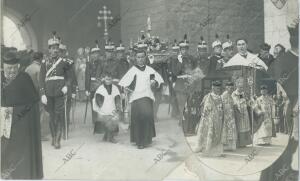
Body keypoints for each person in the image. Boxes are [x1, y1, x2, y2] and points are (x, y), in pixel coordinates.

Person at [1, 51, 43, 179]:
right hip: (4, 124)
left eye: (14, 68)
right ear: (3, 68)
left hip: (22, 125)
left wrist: (15, 113)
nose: (11, 71)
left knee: (19, 153)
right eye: (8, 68)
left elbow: (33, 103)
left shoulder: (24, 78)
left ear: (18, 67)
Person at [119, 49, 164, 149]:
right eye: (138, 57)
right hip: (136, 97)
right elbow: (124, 83)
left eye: (142, 57)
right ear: (135, 58)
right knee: (138, 119)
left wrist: (154, 83)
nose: (140, 59)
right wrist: (126, 88)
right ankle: (139, 141)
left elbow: (158, 80)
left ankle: (147, 139)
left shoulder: (150, 70)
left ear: (145, 57)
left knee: (147, 117)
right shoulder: (133, 70)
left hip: (147, 96)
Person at [39, 31, 74, 149]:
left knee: (58, 116)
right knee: (51, 117)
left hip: (60, 92)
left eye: (56, 48)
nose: (55, 50)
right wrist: (42, 93)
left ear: (59, 49)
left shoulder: (64, 62)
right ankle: (53, 136)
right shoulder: (44, 62)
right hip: (48, 94)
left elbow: (70, 77)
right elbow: (41, 78)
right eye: (52, 48)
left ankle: (58, 139)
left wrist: (66, 87)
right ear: (49, 50)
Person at [194, 80, 224, 157]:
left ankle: (214, 149)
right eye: (217, 89)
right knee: (207, 134)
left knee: (216, 135)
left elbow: (221, 108)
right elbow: (204, 107)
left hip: (218, 119)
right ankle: (206, 149)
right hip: (208, 120)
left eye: (219, 89)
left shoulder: (220, 97)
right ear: (213, 88)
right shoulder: (208, 96)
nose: (219, 90)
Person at [93, 71, 121, 142]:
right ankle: (106, 135)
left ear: (112, 80)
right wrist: (101, 107)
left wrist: (117, 107)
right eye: (106, 79)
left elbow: (117, 98)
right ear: (104, 80)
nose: (108, 81)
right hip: (103, 107)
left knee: (113, 120)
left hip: (112, 107)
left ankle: (111, 136)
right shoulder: (100, 88)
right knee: (105, 120)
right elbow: (98, 99)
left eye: (110, 79)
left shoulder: (115, 88)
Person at [85, 41, 103, 125]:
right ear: (91, 55)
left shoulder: (102, 63)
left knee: (101, 103)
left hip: (101, 86)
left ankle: (101, 121)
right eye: (94, 54)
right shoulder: (89, 64)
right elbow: (87, 76)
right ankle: (95, 121)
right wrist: (87, 89)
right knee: (93, 104)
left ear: (99, 55)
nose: (95, 55)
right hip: (92, 86)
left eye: (97, 54)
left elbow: (104, 74)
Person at [231, 78, 252, 147]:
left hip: (245, 112)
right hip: (238, 112)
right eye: (240, 87)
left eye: (242, 87)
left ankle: (244, 143)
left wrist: (249, 102)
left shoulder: (242, 94)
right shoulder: (234, 94)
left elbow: (245, 101)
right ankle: (239, 143)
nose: (241, 88)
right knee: (239, 127)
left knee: (245, 126)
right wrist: (242, 102)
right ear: (237, 86)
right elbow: (235, 102)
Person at [221, 81, 238, 151]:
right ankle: (225, 146)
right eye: (229, 88)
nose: (231, 89)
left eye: (232, 88)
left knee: (232, 131)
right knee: (225, 131)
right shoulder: (223, 96)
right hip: (225, 116)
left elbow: (233, 106)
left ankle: (230, 146)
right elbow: (221, 106)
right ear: (226, 88)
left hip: (231, 116)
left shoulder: (231, 96)